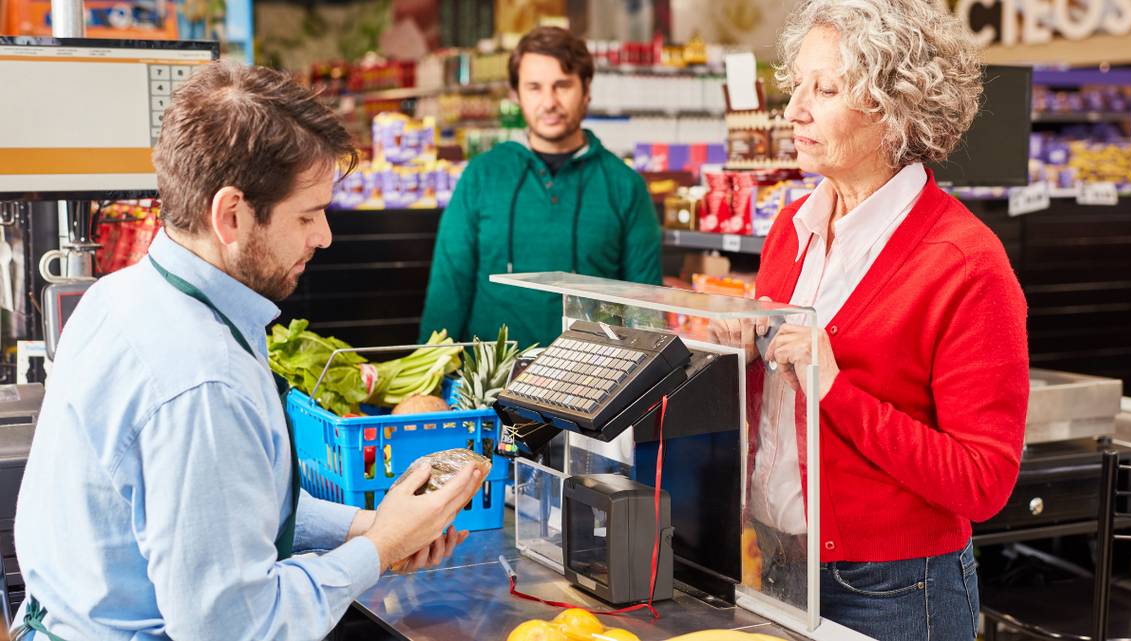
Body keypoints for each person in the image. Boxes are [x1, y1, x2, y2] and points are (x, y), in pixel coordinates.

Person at [11, 60, 482, 640]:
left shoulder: (123, 293)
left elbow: (226, 508)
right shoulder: (202, 380)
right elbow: (231, 626)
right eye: (307, 215)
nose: (324, 236)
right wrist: (380, 549)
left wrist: (368, 524)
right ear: (230, 215)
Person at [710, 1, 1028, 639]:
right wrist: (737, 354)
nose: (794, 109)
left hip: (893, 589)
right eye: (796, 84)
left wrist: (835, 389)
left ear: (896, 109)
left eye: (824, 89)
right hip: (771, 563)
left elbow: (984, 481)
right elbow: (779, 409)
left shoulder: (965, 263)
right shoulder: (792, 228)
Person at [419, 26, 662, 350]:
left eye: (562, 86)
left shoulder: (625, 186)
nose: (549, 102)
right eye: (534, 87)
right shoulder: (480, 176)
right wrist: (426, 383)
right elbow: (448, 291)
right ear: (516, 94)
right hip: (491, 389)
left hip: (594, 386)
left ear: (586, 89)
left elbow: (645, 311)